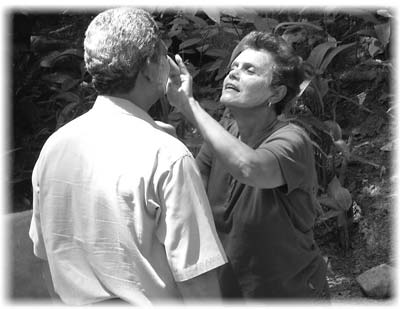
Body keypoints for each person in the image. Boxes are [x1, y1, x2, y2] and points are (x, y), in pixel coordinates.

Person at [29, 7, 227, 306]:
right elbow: (199, 284)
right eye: (162, 52)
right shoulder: (167, 156)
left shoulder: (54, 147)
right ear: (149, 67)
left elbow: (46, 260)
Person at [166, 31, 330, 299]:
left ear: (276, 93)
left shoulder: (292, 140)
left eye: (249, 70)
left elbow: (251, 169)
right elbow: (187, 190)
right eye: (234, 67)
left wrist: (190, 105)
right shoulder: (224, 134)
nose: (233, 74)